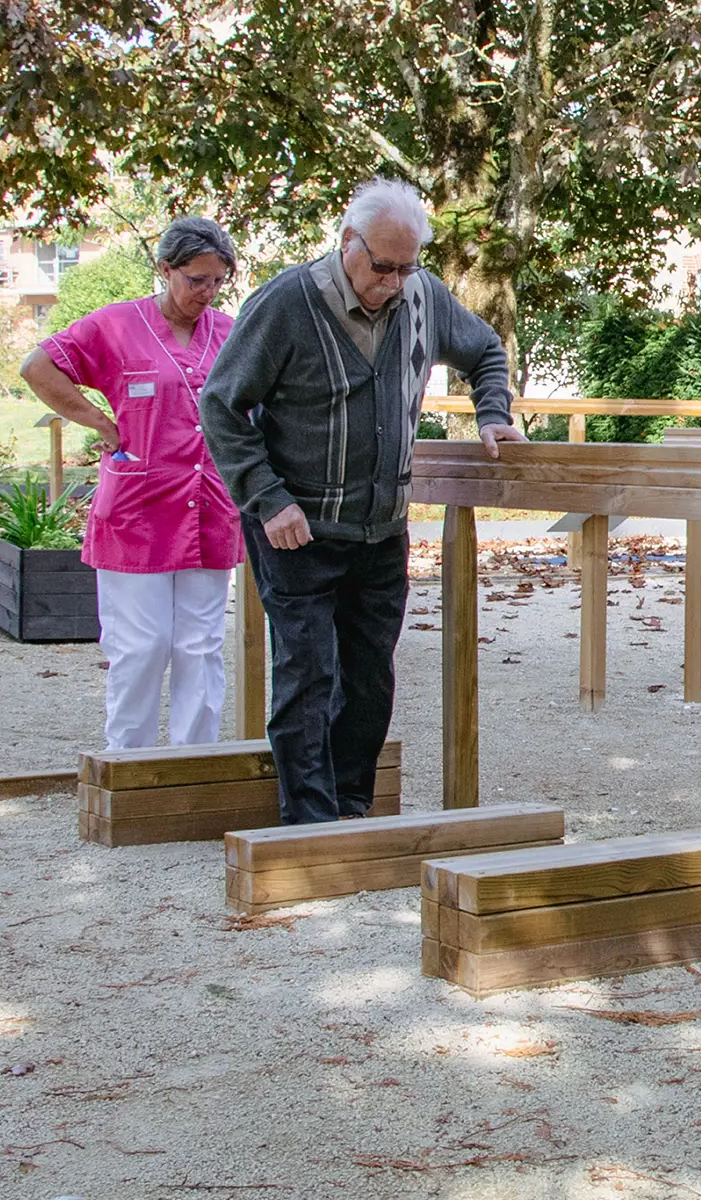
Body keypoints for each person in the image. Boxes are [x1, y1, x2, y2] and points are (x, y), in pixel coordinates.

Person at [200, 178, 525, 826]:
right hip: (297, 530)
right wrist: (267, 499)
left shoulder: (423, 295)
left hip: (382, 530)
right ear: (349, 244)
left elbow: (485, 349)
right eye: (384, 266)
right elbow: (220, 404)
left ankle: (350, 811)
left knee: (370, 679)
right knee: (308, 675)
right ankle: (310, 825)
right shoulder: (288, 302)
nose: (397, 281)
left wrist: (493, 412)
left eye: (408, 267)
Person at [21, 217, 244, 751]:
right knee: (142, 645)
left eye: (218, 281)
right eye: (196, 279)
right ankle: (130, 765)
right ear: (164, 269)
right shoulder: (115, 326)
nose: (207, 292)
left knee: (200, 645)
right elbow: (38, 367)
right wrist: (99, 421)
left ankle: (195, 765)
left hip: (209, 505)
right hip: (138, 510)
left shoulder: (232, 332)